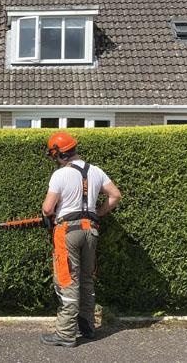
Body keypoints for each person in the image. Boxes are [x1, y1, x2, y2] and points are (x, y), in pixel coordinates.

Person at [39, 132, 121, 348]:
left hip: (68, 230)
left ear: (59, 154)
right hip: (90, 229)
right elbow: (115, 195)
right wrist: (99, 213)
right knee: (86, 279)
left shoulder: (60, 175)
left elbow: (48, 208)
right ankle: (87, 327)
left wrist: (49, 213)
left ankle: (66, 334)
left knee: (67, 279)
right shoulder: (96, 171)